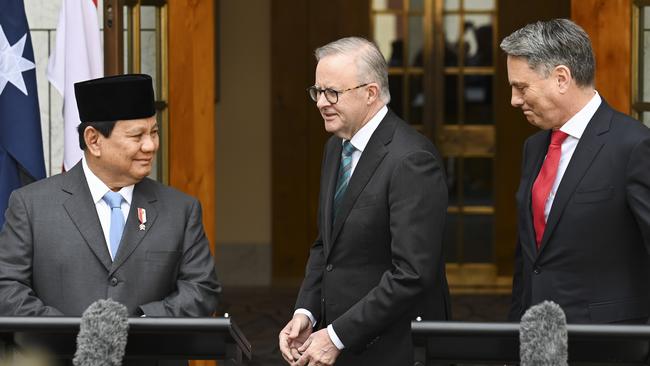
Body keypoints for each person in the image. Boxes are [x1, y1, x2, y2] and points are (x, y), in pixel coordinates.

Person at [278, 37, 450, 366]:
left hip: (395, 350)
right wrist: (307, 311)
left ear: (370, 93)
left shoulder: (411, 159)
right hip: (339, 346)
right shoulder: (336, 147)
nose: (320, 103)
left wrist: (338, 335)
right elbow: (325, 247)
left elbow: (412, 274)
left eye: (333, 93)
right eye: (317, 91)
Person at [0, 74, 221, 318]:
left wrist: (141, 326)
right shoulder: (32, 206)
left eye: (154, 132)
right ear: (93, 140)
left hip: (151, 354)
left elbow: (202, 289)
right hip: (59, 355)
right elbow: (7, 288)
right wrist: (71, 333)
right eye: (137, 136)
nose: (150, 145)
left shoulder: (181, 210)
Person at [502, 19, 650, 324]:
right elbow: (529, 258)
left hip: (609, 343)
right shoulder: (534, 147)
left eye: (521, 87)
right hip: (537, 337)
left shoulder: (633, 146)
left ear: (561, 78)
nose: (514, 100)